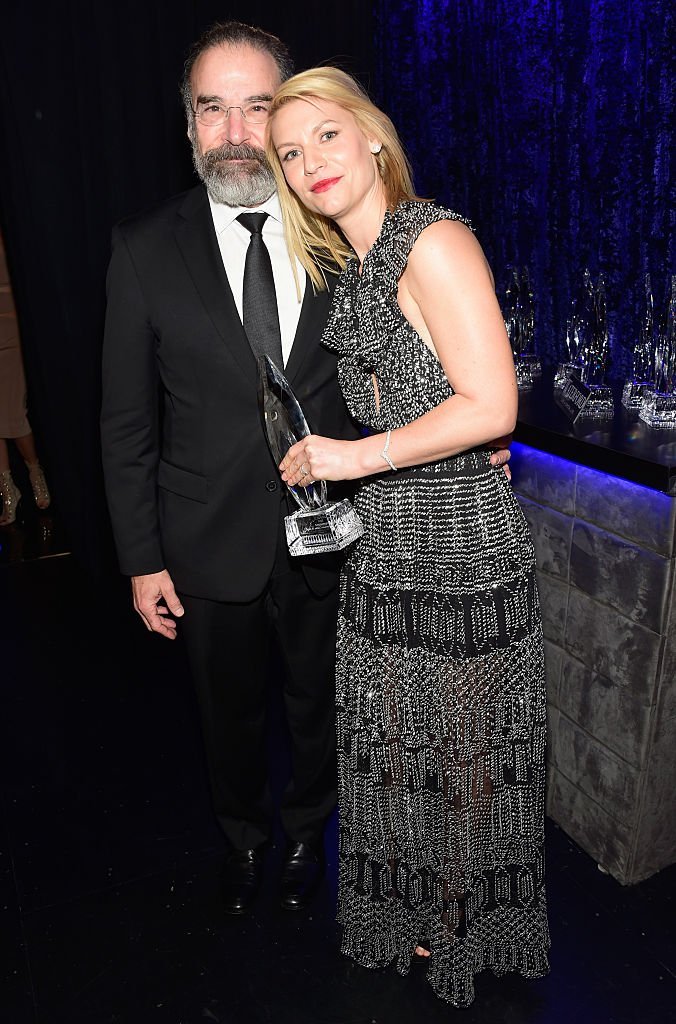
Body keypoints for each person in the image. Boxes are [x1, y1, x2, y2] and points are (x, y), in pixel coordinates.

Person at [100, 22, 510, 920]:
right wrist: (141, 557)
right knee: (227, 716)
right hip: (204, 541)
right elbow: (126, 421)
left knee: (329, 711)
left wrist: (479, 427)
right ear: (190, 126)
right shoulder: (143, 246)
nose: (239, 131)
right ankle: (244, 837)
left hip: (346, 532)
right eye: (216, 108)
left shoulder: (335, 230)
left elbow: (424, 339)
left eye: (260, 107)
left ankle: (303, 834)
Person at [266, 68, 549, 1006]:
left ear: (373, 137)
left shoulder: (431, 236)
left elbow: (493, 401)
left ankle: (459, 921)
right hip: (387, 546)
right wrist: (349, 463)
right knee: (403, 745)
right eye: (291, 154)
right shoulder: (359, 261)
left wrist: (355, 457)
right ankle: (426, 901)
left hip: (460, 545)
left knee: (461, 752)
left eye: (327, 137)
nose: (311, 163)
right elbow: (434, 396)